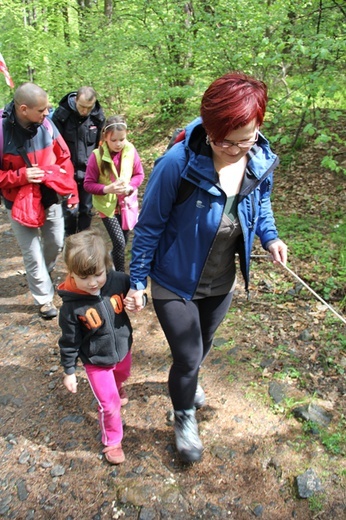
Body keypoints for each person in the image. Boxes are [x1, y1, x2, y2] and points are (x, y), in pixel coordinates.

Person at [124, 71, 288, 463]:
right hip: (174, 280)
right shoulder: (176, 165)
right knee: (188, 356)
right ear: (210, 129)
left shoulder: (259, 160)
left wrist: (271, 237)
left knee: (203, 346)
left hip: (220, 279)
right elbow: (148, 227)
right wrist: (137, 281)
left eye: (244, 140)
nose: (234, 149)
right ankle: (184, 417)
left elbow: (259, 206)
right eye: (223, 140)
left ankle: (189, 381)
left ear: (258, 126)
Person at [0, 82, 78, 319]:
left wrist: (71, 191)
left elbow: (64, 157)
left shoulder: (46, 124)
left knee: (55, 242)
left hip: (49, 197)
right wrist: (20, 176)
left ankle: (44, 272)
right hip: (20, 204)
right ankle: (44, 298)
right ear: (24, 109)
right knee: (31, 252)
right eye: (42, 110)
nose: (47, 114)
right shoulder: (2, 133)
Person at [57, 229, 133, 465]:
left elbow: (136, 293)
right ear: (71, 273)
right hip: (96, 361)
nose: (92, 283)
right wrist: (69, 370)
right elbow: (69, 341)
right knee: (109, 405)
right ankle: (112, 441)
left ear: (106, 265)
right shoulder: (71, 308)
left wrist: (137, 299)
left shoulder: (119, 281)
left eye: (97, 274)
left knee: (123, 374)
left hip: (122, 350)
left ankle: (118, 386)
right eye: (83, 277)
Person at [84, 115, 145, 272]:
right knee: (120, 242)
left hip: (126, 205)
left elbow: (139, 174)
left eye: (122, 139)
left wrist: (130, 187)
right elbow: (88, 184)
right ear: (105, 138)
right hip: (107, 207)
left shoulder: (130, 151)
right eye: (114, 140)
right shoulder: (96, 156)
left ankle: (113, 260)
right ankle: (120, 275)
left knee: (123, 241)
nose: (118, 144)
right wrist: (107, 189)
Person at [52, 86, 105, 236]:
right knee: (70, 209)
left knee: (86, 209)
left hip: (88, 170)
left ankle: (83, 239)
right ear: (75, 100)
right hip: (67, 170)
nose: (85, 111)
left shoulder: (97, 116)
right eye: (82, 106)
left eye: (89, 107)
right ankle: (69, 238)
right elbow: (55, 145)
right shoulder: (61, 115)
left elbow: (99, 145)